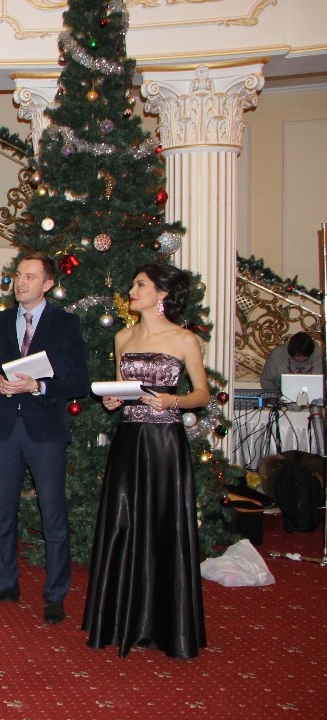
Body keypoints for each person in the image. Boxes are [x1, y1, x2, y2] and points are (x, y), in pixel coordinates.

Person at [86, 263, 209, 659]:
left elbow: (202, 394)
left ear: (162, 294)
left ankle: (165, 624)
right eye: (133, 283)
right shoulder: (122, 337)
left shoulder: (185, 339)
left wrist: (174, 400)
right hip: (129, 439)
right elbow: (123, 389)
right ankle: (120, 619)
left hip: (165, 444)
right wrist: (113, 399)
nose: (132, 290)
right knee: (123, 522)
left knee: (163, 523)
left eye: (140, 284)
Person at [0, 253, 89, 625]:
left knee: (53, 514)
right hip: (7, 428)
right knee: (2, 512)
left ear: (48, 284)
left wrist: (39, 386)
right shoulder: (1, 320)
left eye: (30, 277)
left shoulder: (65, 323)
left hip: (45, 431)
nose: (21, 282)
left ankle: (55, 595)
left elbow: (79, 381)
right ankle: (5, 583)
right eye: (19, 275)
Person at [260, 331, 323, 395]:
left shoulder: (320, 355)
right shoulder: (277, 354)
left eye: (304, 356)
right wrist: (276, 396)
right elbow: (266, 380)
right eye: (298, 356)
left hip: (315, 396)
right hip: (281, 396)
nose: (301, 359)